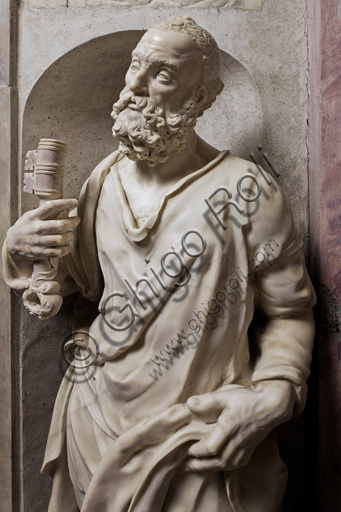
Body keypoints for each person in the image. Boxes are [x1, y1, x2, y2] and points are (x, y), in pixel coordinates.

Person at [3, 16, 316, 512]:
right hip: (94, 419)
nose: (135, 86)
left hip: (197, 434)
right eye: (135, 67)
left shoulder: (247, 190)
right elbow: (78, 286)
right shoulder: (103, 181)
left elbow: (290, 313)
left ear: (200, 98)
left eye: (162, 75)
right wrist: (23, 248)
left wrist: (276, 390)